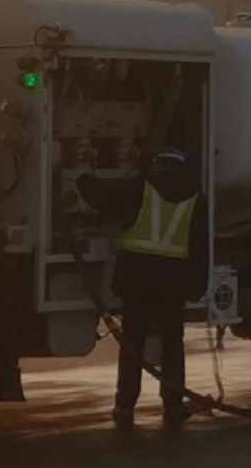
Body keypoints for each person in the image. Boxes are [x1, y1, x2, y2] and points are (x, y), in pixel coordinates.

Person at [82, 146, 208, 429]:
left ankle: (125, 406)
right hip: (174, 283)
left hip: (137, 280)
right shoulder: (196, 198)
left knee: (132, 345)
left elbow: (104, 201)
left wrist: (82, 179)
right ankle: (173, 405)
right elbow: (200, 248)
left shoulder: (141, 188)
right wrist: (197, 286)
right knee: (172, 346)